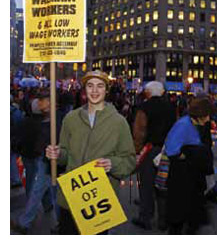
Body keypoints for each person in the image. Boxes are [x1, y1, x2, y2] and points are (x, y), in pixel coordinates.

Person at [45, 70, 136, 235]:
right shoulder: (70, 118)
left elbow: (129, 160)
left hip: (98, 202)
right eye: (90, 86)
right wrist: (57, 154)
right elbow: (65, 153)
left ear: (106, 90)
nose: (95, 91)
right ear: (84, 89)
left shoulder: (119, 122)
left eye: (100, 86)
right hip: (70, 198)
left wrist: (112, 164)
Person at [165, 96, 215, 234]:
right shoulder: (184, 124)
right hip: (182, 178)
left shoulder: (199, 125)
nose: (208, 119)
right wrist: (186, 156)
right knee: (179, 219)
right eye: (207, 115)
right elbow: (172, 149)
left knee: (192, 219)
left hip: (194, 179)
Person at [11, 91, 58, 234]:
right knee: (42, 189)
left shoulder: (52, 121)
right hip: (42, 159)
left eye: (43, 101)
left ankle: (26, 222)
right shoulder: (42, 121)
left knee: (42, 189)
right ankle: (28, 220)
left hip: (48, 160)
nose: (41, 104)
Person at [132, 81, 176, 230]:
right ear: (162, 93)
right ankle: (163, 220)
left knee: (146, 185)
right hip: (166, 150)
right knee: (162, 186)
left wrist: (137, 150)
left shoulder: (144, 108)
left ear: (148, 93)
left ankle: (146, 217)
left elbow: (140, 131)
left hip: (149, 149)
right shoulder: (171, 107)